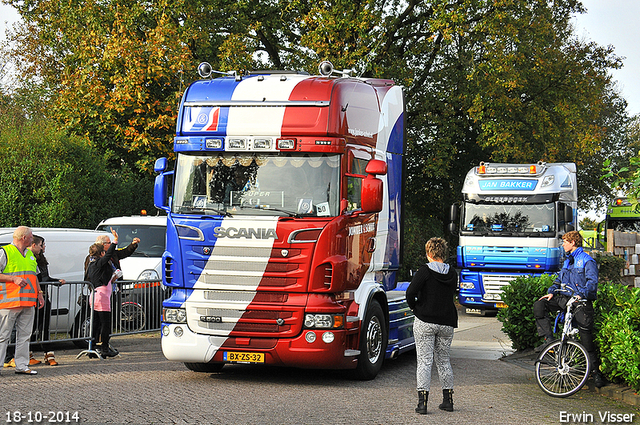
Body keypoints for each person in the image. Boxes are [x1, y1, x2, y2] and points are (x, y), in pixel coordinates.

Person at [533, 230, 604, 388]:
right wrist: (551, 292)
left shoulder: (587, 260)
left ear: (573, 243)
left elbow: (592, 284)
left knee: (586, 341)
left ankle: (595, 374)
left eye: (565, 241)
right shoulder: (567, 261)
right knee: (540, 305)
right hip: (565, 299)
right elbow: (558, 281)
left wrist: (580, 295)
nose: (563, 244)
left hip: (581, 302)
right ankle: (549, 341)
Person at [406, 237, 458, 414]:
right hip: (447, 323)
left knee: (425, 362)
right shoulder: (452, 273)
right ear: (443, 253)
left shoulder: (424, 271)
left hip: (425, 321)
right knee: (443, 360)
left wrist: (415, 308)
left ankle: (422, 404)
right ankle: (448, 401)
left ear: (429, 253)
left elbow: (410, 292)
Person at [0, 226, 45, 375]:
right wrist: (13, 278)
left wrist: (39, 293)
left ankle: (22, 365)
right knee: (3, 336)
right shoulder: (5, 252)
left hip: (28, 302)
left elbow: (34, 276)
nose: (33, 239)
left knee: (24, 336)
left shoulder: (30, 255)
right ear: (23, 237)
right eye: (31, 236)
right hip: (9, 302)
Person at [85, 228, 120, 358]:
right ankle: (104, 348)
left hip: (96, 295)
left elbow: (101, 278)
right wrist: (115, 241)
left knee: (96, 323)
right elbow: (108, 255)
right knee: (105, 323)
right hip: (102, 297)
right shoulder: (99, 263)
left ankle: (93, 346)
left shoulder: (92, 263)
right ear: (101, 253)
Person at [31, 235, 65, 365]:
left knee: (45, 326)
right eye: (42, 245)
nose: (43, 247)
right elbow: (36, 279)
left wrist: (56, 281)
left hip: (44, 296)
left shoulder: (42, 260)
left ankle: (48, 354)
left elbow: (45, 278)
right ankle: (29, 354)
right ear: (34, 245)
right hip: (33, 297)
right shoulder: (30, 258)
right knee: (32, 327)